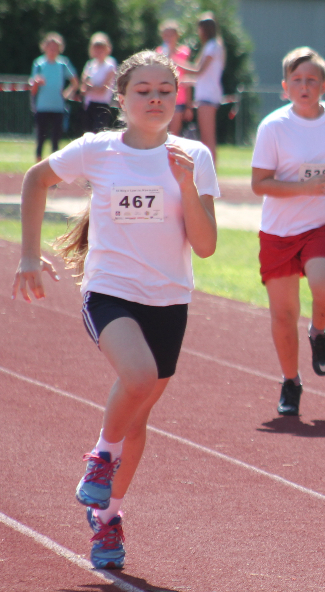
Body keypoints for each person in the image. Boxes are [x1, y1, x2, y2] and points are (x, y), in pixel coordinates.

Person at [11, 50, 219, 570]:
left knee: (140, 418)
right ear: (120, 99)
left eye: (165, 91)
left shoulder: (194, 155)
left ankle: (107, 522)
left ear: (178, 98)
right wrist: (28, 256)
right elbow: (36, 179)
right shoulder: (97, 150)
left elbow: (208, 245)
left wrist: (188, 185)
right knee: (139, 376)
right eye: (143, 91)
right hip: (110, 292)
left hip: (169, 298)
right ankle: (101, 457)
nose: (155, 98)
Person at [251, 47, 325, 417]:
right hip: (279, 230)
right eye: (296, 80)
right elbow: (259, 183)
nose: (304, 86)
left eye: (311, 80)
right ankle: (291, 381)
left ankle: (318, 331)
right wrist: (302, 187)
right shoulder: (273, 126)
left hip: (323, 223)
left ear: (324, 85)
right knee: (283, 315)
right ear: (285, 87)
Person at [29, 32, 78, 162]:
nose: (52, 50)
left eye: (55, 47)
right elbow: (33, 89)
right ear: (44, 47)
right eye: (50, 46)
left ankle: (53, 169)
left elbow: (74, 82)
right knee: (40, 138)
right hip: (42, 106)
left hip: (58, 107)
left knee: (55, 140)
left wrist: (67, 93)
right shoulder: (39, 64)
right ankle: (38, 167)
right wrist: (36, 83)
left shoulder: (63, 64)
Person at [189, 13, 225, 163]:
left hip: (208, 95)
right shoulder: (213, 45)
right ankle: (210, 174)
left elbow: (199, 71)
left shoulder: (212, 46)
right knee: (206, 139)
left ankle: (212, 175)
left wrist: (174, 63)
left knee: (208, 139)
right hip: (207, 94)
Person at [156, 20, 194, 136]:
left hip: (179, 99)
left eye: (171, 34)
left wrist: (189, 106)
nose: (168, 38)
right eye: (166, 34)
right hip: (161, 97)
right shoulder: (158, 53)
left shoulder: (183, 53)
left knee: (174, 134)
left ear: (177, 36)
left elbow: (187, 79)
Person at [81, 33, 117, 133]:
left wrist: (90, 87)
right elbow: (83, 88)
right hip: (89, 104)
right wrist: (90, 87)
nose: (98, 51)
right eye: (96, 48)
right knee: (88, 133)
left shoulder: (110, 65)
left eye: (101, 48)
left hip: (102, 105)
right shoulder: (90, 65)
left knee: (99, 133)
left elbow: (102, 89)